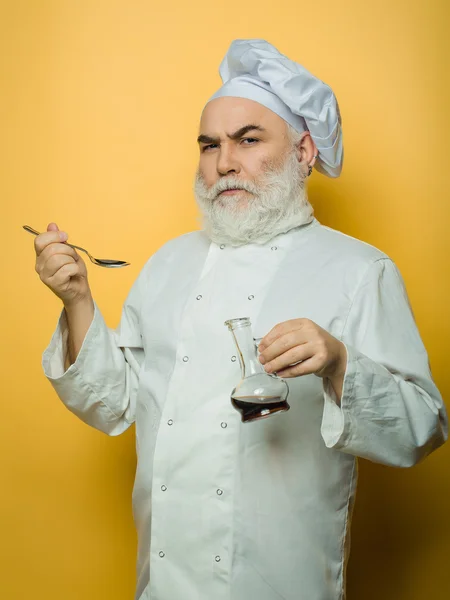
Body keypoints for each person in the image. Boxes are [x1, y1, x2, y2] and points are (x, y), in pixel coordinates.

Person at [33, 39, 447, 600]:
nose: (224, 162)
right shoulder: (169, 263)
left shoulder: (358, 270)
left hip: (282, 580)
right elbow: (115, 402)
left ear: (303, 151)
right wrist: (77, 298)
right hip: (163, 582)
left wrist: (339, 363)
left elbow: (421, 429)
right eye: (210, 145)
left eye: (249, 140)